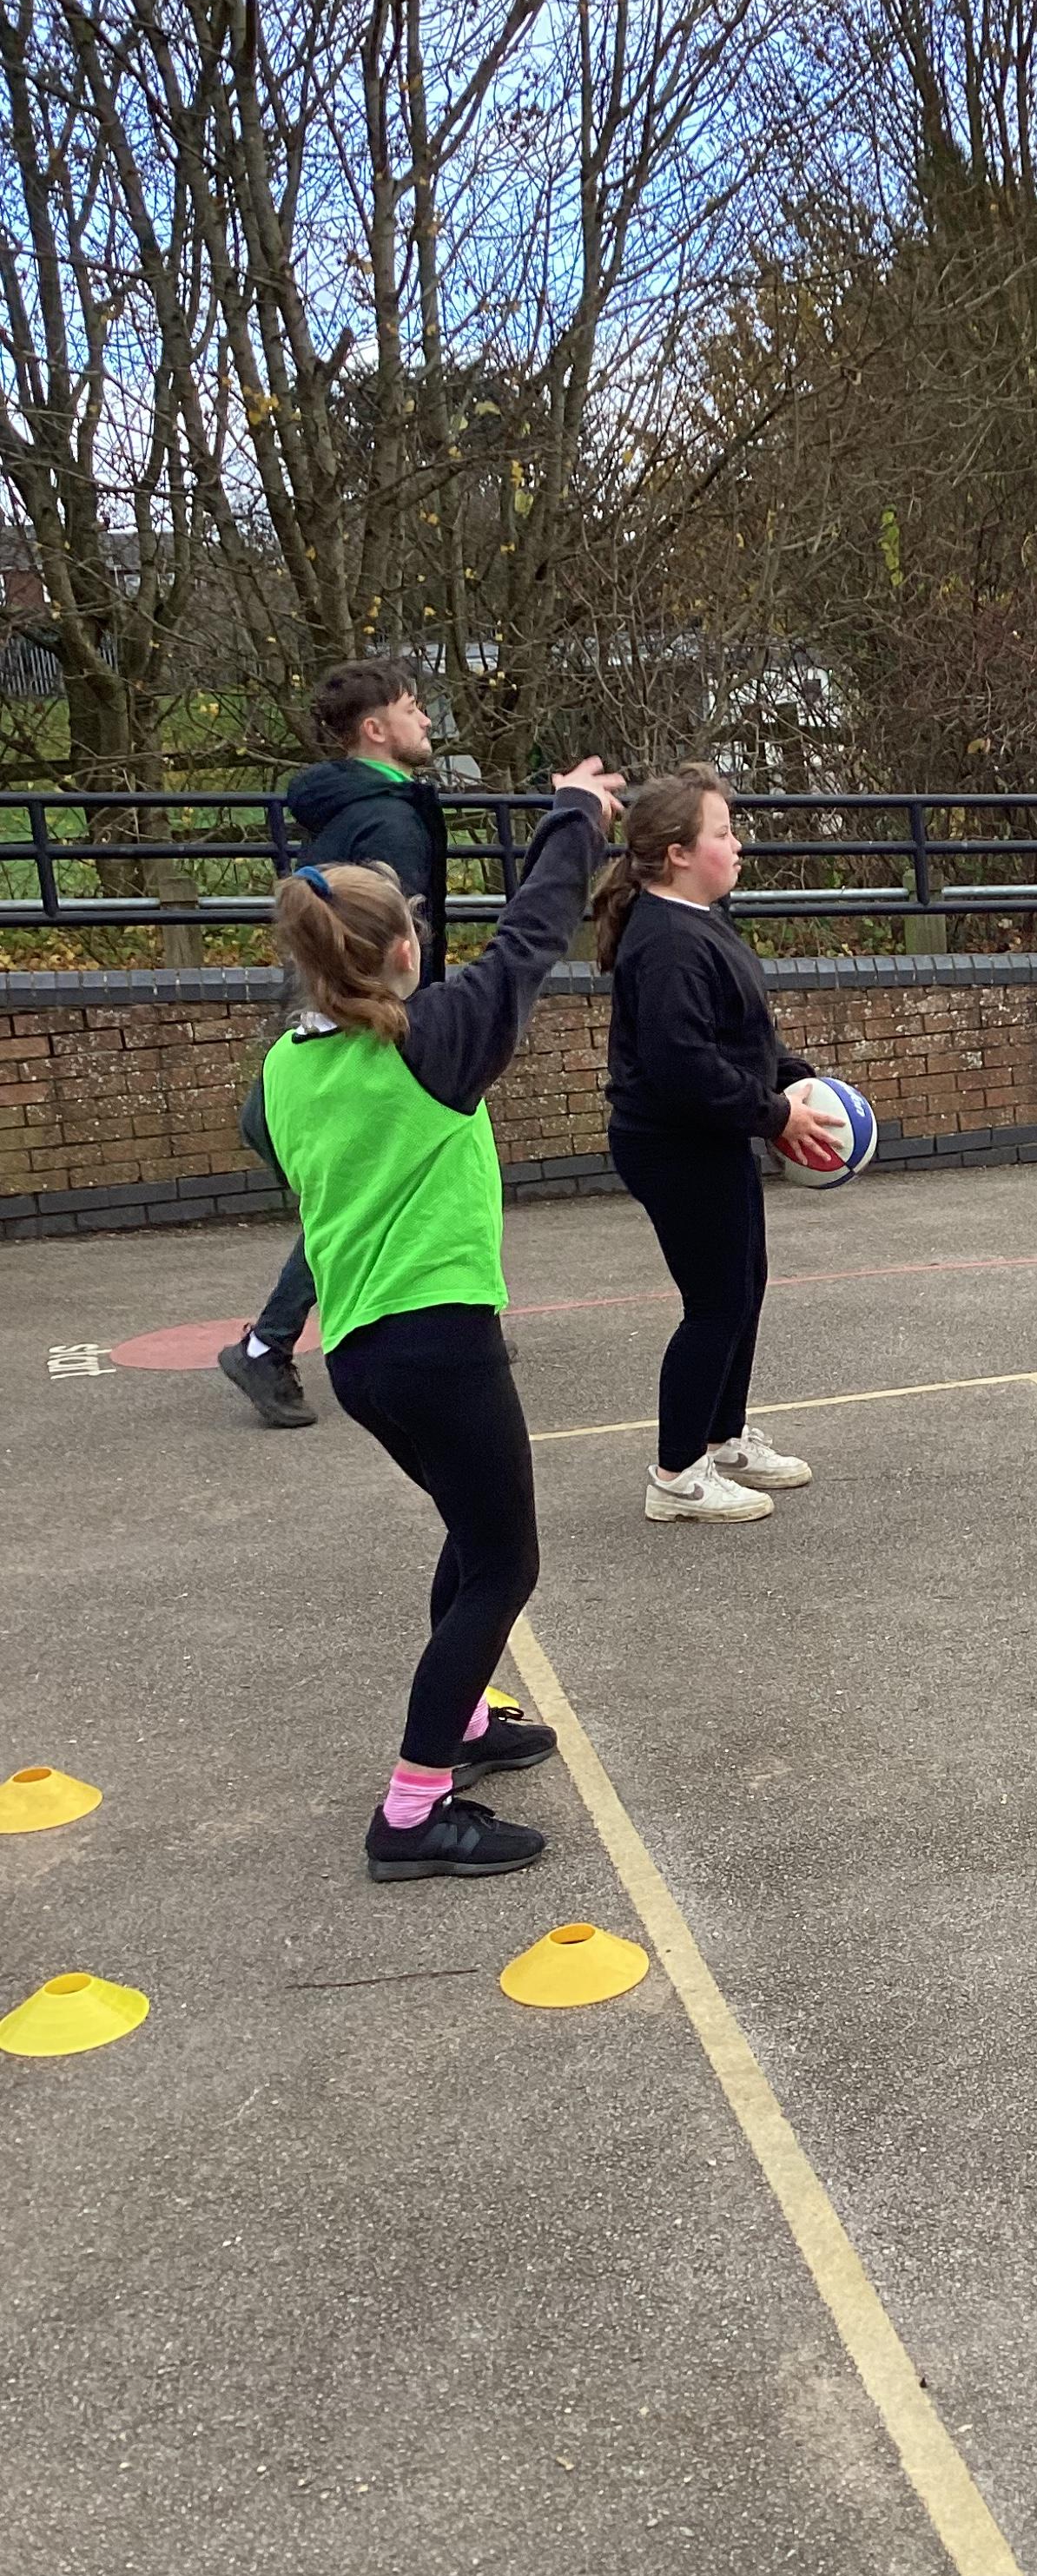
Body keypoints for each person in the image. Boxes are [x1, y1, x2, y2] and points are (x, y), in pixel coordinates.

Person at [240, 754, 624, 1882]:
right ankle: (412, 1810)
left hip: (361, 1355)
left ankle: (458, 1723)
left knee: (471, 1527)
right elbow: (531, 934)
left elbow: (280, 1149)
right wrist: (574, 814)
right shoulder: (432, 1044)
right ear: (404, 948)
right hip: (440, 1343)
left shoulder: (283, 1070)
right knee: (504, 1564)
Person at [595, 766, 843, 1524]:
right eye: (723, 832)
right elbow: (683, 1066)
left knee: (744, 1287)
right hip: (675, 1143)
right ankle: (676, 1475)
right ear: (677, 852)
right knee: (714, 1304)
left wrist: (795, 1078)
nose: (738, 845)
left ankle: (722, 1437)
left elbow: (740, 1034)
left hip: (709, 1136)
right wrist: (775, 1115)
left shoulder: (699, 918)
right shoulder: (667, 940)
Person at [219, 659, 453, 1429]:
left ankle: (456, 1312)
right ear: (376, 729)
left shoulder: (345, 809)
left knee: (372, 1193)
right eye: (413, 708)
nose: (427, 720)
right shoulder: (388, 821)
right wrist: (410, 1025)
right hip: (360, 1038)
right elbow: (390, 939)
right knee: (365, 1195)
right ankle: (266, 1346)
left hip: (319, 1030)